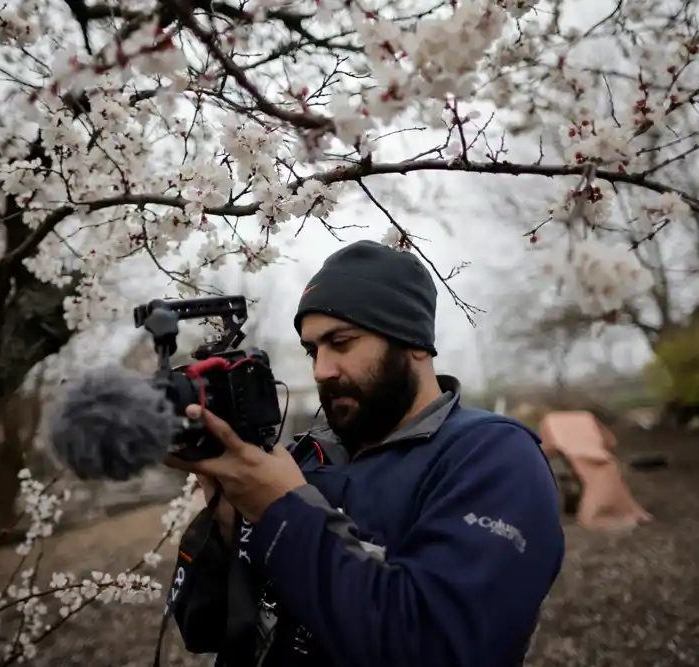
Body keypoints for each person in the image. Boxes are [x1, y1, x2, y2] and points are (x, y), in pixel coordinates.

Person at [165, 239, 565, 667]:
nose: (321, 369)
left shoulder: (492, 457)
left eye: (342, 342)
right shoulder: (305, 457)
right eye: (312, 350)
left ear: (413, 342)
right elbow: (204, 628)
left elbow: (440, 645)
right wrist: (229, 524)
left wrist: (281, 510)